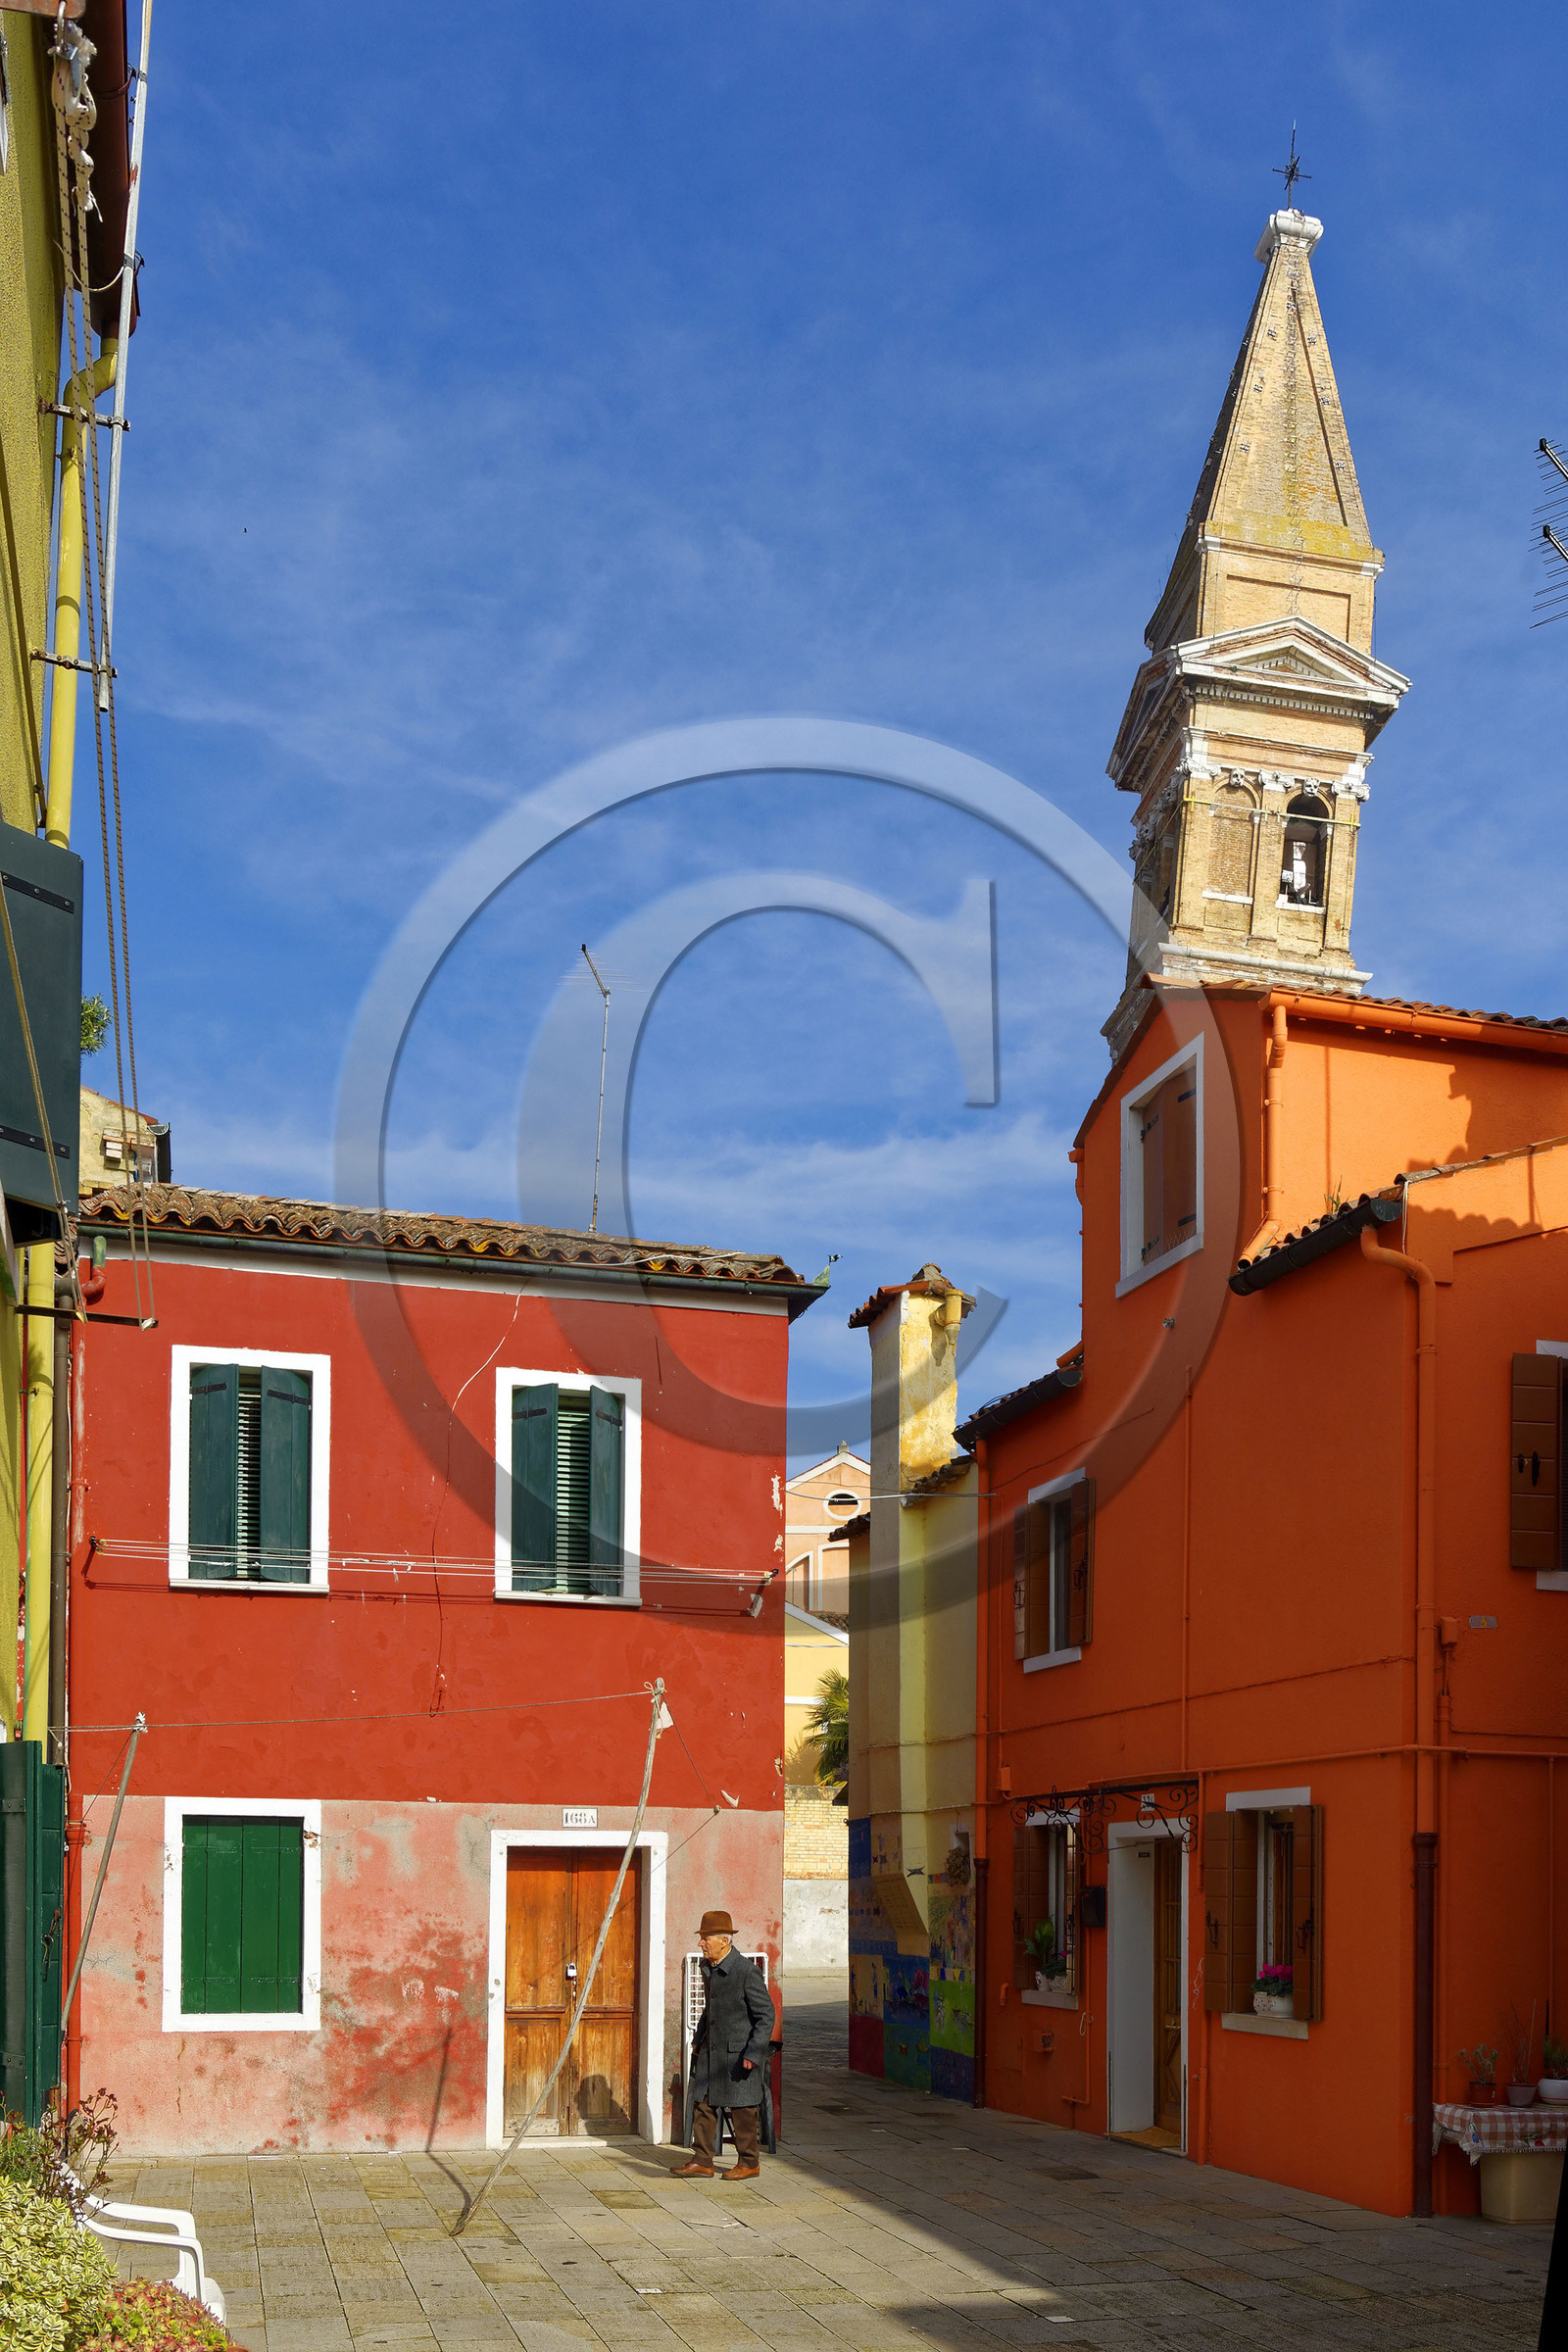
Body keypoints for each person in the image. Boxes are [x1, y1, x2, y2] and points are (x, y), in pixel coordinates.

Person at [670, 1910, 773, 2181]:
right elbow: (709, 2009)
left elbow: (766, 2016)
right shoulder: (710, 1969)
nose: (701, 1943)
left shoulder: (745, 1972)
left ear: (724, 1941)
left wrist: (754, 2052)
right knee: (702, 2105)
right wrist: (698, 2040)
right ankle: (703, 2160)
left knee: (742, 2110)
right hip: (710, 2052)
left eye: (705, 1938)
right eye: (702, 1938)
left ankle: (749, 2163)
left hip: (738, 2055)